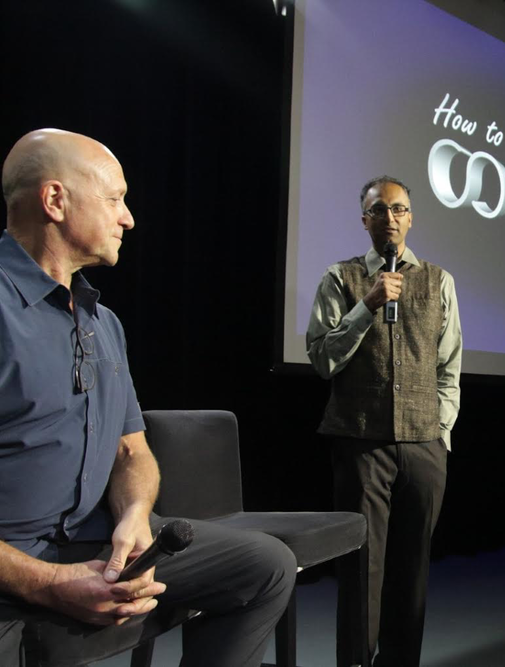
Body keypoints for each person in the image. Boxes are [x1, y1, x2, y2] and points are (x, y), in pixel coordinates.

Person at [0, 128, 298, 666]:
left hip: (94, 537)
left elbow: (130, 451)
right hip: (12, 557)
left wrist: (134, 517)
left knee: (264, 566)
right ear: (55, 200)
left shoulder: (103, 322)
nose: (128, 217)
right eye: (114, 199)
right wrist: (46, 583)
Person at [306, 175, 461, 666]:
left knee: (411, 572)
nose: (389, 218)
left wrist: (440, 433)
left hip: (423, 446)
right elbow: (322, 359)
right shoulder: (340, 277)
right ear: (364, 220)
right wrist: (367, 306)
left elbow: (448, 366)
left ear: (411, 218)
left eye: (398, 210)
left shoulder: (439, 281)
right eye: (379, 210)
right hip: (360, 444)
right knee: (361, 569)